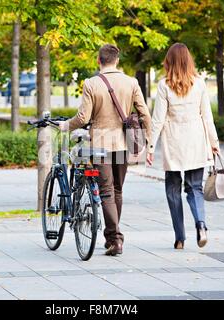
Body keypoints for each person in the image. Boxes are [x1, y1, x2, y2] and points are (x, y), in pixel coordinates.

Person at [60, 44, 152, 256]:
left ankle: (115, 239)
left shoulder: (91, 83)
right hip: (123, 144)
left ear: (98, 61)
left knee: (107, 192)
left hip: (100, 144)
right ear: (117, 60)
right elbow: (145, 114)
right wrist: (149, 140)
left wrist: (66, 125)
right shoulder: (131, 82)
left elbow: (83, 117)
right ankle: (113, 238)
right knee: (117, 190)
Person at [146, 43, 219, 250]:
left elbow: (158, 119)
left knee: (172, 191)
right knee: (195, 188)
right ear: (189, 61)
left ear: (169, 61)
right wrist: (214, 143)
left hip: (174, 145)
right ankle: (201, 224)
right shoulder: (200, 83)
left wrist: (150, 147)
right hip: (196, 142)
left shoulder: (164, 85)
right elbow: (207, 117)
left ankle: (180, 238)